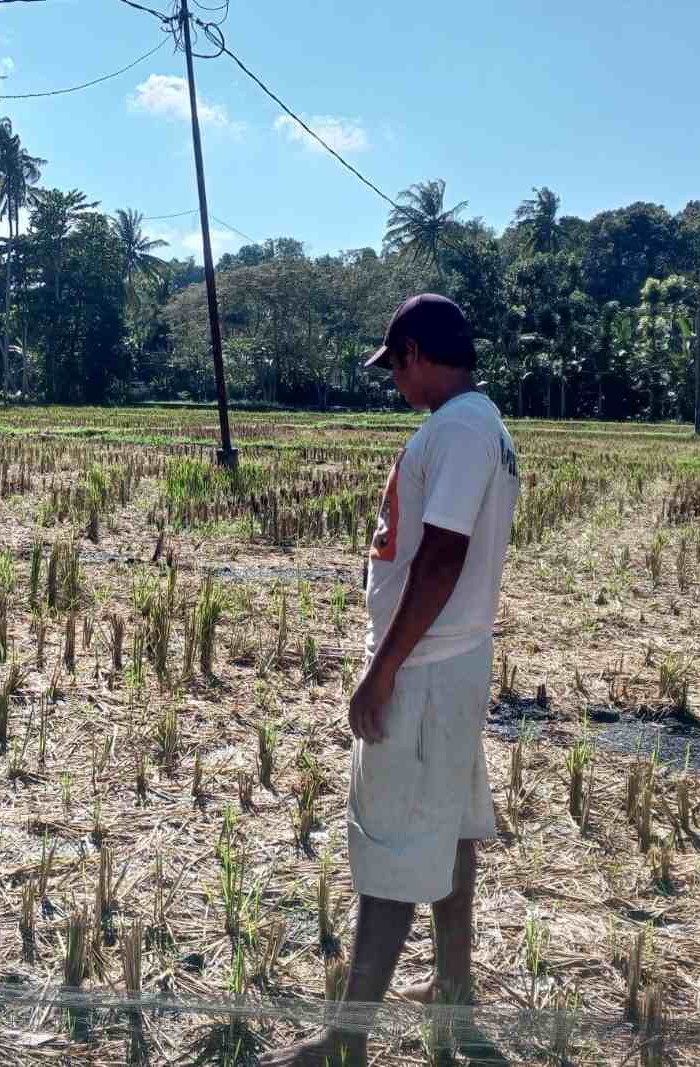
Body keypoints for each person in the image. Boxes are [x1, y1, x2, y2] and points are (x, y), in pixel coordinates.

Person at [261, 294, 520, 1067]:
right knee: (448, 833)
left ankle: (346, 1039)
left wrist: (382, 670)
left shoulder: (463, 429)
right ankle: (454, 1001)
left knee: (390, 850)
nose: (394, 383)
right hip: (448, 664)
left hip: (427, 671)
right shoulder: (478, 425)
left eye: (394, 367)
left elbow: (440, 557)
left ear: (413, 352)